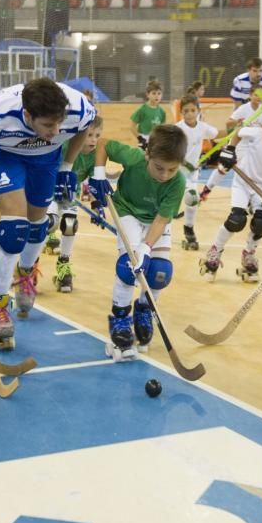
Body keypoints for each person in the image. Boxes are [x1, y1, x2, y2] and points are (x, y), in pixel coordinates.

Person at [0, 78, 96, 349]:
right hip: (8, 156)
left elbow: (84, 129)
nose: (56, 130)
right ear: (28, 115)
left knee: (37, 226)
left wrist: (67, 166)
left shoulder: (78, 107)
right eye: (48, 125)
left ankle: (25, 272)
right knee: (13, 231)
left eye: (59, 123)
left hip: (47, 158)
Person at [88, 124, 186, 361]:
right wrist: (98, 174)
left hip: (155, 220)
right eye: (159, 168)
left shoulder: (178, 182)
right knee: (128, 266)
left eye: (171, 170)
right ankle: (120, 316)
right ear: (147, 154)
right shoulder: (133, 158)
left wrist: (146, 248)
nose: (164, 175)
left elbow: (162, 219)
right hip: (127, 211)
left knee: (160, 272)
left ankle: (144, 310)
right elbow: (103, 144)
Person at [200, 105, 262, 282]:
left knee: (260, 223)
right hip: (243, 183)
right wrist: (230, 150)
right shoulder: (258, 134)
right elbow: (238, 132)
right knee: (236, 220)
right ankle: (215, 251)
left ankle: (249, 254)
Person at [43, 116, 105, 293]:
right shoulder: (65, 147)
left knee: (70, 224)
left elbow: (93, 184)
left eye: (97, 135)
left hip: (72, 195)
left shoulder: (96, 156)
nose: (93, 139)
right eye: (90, 135)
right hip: (51, 192)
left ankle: (64, 266)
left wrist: (96, 205)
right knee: (48, 224)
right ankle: (29, 267)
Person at [198, 87, 262, 202]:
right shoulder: (243, 109)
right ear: (250, 95)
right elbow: (228, 123)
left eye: (261, 95)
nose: (258, 97)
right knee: (223, 167)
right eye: (256, 94)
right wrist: (239, 122)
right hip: (239, 144)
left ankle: (251, 200)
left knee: (252, 173)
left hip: (254, 146)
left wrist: (258, 127)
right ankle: (206, 191)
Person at [176, 95, 221, 250]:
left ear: (198, 111)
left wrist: (235, 129)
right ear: (181, 112)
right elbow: (173, 151)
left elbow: (216, 133)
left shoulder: (202, 127)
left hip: (193, 173)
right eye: (186, 111)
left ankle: (189, 229)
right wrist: (186, 163)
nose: (189, 114)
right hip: (177, 171)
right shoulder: (178, 129)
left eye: (192, 110)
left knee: (192, 199)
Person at [130, 80, 166, 148]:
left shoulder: (162, 112)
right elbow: (132, 127)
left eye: (159, 93)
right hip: (143, 139)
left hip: (156, 140)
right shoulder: (142, 110)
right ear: (147, 94)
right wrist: (140, 138)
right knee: (143, 158)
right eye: (154, 93)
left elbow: (162, 129)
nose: (157, 96)